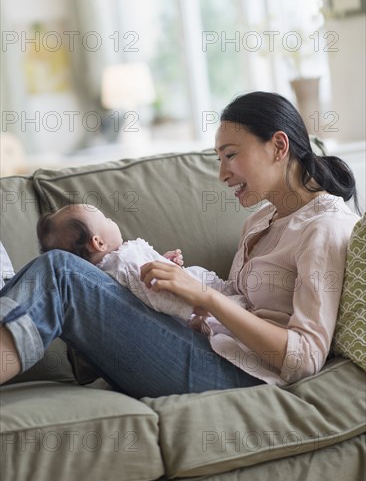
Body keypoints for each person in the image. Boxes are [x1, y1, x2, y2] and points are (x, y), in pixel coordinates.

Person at [0, 91, 360, 397]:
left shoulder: (324, 226)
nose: (222, 174)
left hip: (238, 375)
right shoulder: (260, 221)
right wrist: (190, 291)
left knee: (61, 273)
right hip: (208, 347)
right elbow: (236, 302)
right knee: (67, 273)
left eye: (231, 155)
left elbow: (304, 359)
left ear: (278, 146)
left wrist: (206, 298)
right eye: (219, 159)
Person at [36, 204, 232, 322]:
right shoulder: (123, 262)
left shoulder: (115, 266)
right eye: (106, 219)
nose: (111, 219)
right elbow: (155, 294)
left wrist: (162, 262)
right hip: (204, 307)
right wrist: (196, 308)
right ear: (99, 243)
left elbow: (142, 288)